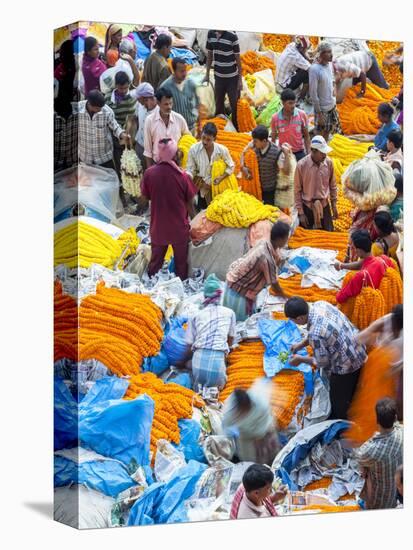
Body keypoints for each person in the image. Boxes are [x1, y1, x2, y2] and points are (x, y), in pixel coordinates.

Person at [285, 297, 367, 419]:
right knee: (353, 389)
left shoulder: (315, 333)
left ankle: (344, 422)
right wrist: (301, 344)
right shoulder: (320, 304)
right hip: (358, 348)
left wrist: (300, 359)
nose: (293, 323)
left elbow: (322, 362)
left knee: (338, 400)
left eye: (293, 320)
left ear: (300, 318)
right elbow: (320, 332)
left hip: (347, 365)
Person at [140, 138, 197, 280]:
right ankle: (181, 291)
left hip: (158, 228)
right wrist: (196, 224)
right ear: (175, 154)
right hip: (179, 230)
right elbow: (190, 205)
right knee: (181, 266)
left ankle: (151, 288)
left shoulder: (149, 174)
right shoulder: (183, 176)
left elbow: (144, 198)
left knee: (155, 264)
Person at [223, 221, 290, 322]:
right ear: (280, 239)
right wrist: (286, 297)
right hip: (240, 289)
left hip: (236, 280)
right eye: (286, 238)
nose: (286, 241)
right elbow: (274, 284)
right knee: (239, 321)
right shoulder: (266, 258)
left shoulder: (265, 242)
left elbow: (276, 257)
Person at [185, 273, 236, 391]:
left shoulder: (195, 315)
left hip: (198, 365)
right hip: (218, 368)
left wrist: (184, 362)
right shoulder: (230, 313)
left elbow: (189, 344)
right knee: (217, 391)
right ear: (220, 295)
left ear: (204, 296)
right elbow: (231, 339)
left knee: (197, 388)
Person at [357, 304, 403, 421]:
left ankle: (396, 420)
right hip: (379, 366)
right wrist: (368, 339)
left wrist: (393, 371)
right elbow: (362, 336)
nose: (394, 329)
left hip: (398, 368)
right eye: (394, 325)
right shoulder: (386, 321)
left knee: (399, 399)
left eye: (398, 328)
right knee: (372, 397)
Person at [355, 397, 403, 510]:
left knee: (364, 469)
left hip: (380, 499)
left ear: (377, 421)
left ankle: (367, 504)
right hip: (396, 491)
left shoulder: (371, 450)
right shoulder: (402, 432)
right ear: (395, 418)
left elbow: (359, 455)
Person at [222, 379, 281, 465]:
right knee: (251, 464)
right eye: (242, 411)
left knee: (274, 457)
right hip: (246, 438)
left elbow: (264, 425)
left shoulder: (260, 402)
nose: (245, 412)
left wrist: (258, 437)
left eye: (247, 409)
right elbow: (226, 429)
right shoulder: (230, 412)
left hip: (266, 432)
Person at [335, 230, 394, 305]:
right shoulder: (384, 259)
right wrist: (341, 265)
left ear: (358, 250)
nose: (353, 250)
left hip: (368, 307)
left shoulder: (361, 276)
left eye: (353, 247)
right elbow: (361, 263)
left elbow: (340, 298)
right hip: (383, 305)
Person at [240, 125, 293, 206]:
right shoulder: (253, 149)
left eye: (256, 141)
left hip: (270, 190)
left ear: (264, 141)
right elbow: (243, 156)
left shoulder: (276, 152)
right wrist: (243, 167)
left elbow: (286, 172)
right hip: (256, 189)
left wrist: (286, 155)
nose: (253, 143)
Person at [185, 122, 235, 209]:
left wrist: (221, 177)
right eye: (203, 138)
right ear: (201, 134)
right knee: (204, 213)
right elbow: (190, 169)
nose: (204, 142)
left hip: (219, 189)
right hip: (202, 189)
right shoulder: (194, 150)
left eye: (208, 140)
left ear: (214, 139)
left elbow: (231, 166)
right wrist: (188, 178)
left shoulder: (222, 150)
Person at [294, 135, 338, 231]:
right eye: (322, 153)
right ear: (313, 151)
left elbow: (333, 185)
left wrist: (334, 205)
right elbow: (297, 191)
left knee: (327, 238)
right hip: (308, 209)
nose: (325, 155)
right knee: (310, 240)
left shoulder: (329, 163)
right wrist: (301, 213)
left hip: (325, 207)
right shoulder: (301, 166)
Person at [78, 89, 130, 168]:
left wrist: (122, 134)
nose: (101, 109)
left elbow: (115, 127)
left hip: (104, 159)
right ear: (90, 105)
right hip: (85, 158)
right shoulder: (78, 109)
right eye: (98, 108)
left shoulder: (107, 112)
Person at [143, 87, 190, 168]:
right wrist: (150, 172)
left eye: (171, 103)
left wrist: (181, 152)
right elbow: (148, 151)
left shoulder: (179, 119)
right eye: (166, 104)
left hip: (177, 166)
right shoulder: (149, 121)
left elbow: (188, 139)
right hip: (157, 165)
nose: (169, 107)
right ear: (158, 103)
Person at [204, 30, 242, 131]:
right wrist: (207, 74)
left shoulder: (232, 36)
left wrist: (240, 79)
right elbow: (210, 54)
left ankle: (236, 127)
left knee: (235, 105)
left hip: (232, 78)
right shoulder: (211, 33)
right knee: (218, 103)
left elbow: (238, 58)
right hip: (218, 76)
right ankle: (220, 128)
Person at [309, 41, 341, 140]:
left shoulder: (329, 65)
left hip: (332, 105)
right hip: (323, 109)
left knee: (328, 130)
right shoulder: (314, 69)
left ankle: (324, 148)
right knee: (320, 134)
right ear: (321, 54)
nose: (331, 54)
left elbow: (332, 78)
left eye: (331, 51)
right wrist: (319, 114)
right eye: (328, 52)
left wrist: (334, 88)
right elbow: (313, 93)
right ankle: (316, 151)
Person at [161, 57, 200, 133]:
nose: (184, 73)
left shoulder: (191, 84)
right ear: (174, 71)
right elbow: (162, 110)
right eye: (181, 71)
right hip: (174, 129)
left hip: (191, 127)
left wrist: (199, 123)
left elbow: (197, 104)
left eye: (185, 70)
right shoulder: (165, 87)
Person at [271, 88, 311, 162]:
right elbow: (273, 139)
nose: (293, 105)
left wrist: (308, 154)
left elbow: (306, 136)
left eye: (294, 102)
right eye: (290, 103)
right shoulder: (275, 118)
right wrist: (274, 155)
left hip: (299, 152)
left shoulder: (302, 115)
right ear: (283, 103)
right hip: (284, 153)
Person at [135, 83, 157, 165]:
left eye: (138, 98)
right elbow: (136, 119)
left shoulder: (159, 112)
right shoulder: (139, 105)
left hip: (152, 152)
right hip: (139, 146)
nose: (137, 100)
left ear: (145, 99)